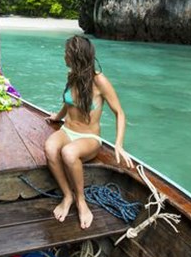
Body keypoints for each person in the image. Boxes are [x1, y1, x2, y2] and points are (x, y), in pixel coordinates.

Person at [45, 35, 133, 229]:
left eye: (66, 53)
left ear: (76, 56)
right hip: (67, 129)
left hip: (89, 138)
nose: (64, 56)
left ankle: (81, 201)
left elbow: (119, 113)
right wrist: (56, 117)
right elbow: (67, 104)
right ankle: (67, 195)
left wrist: (119, 144)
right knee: (50, 147)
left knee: (68, 153)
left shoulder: (99, 80)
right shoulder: (72, 76)